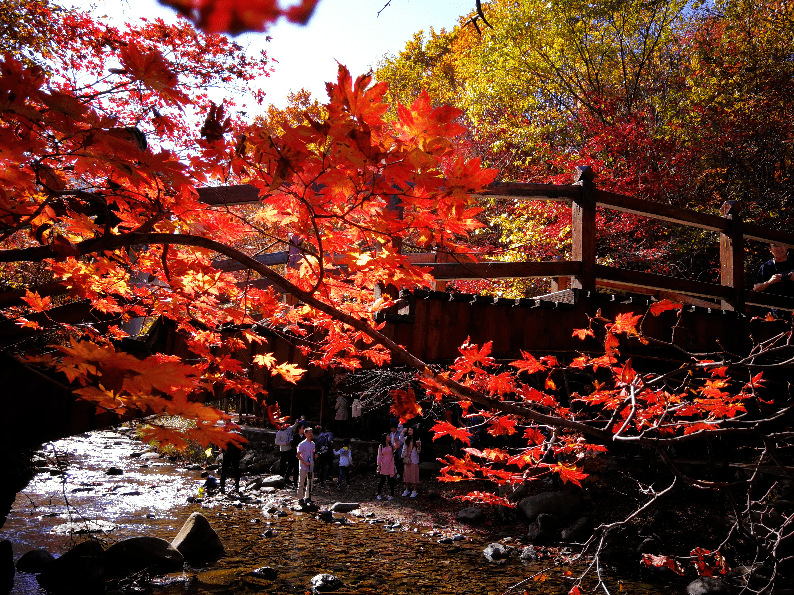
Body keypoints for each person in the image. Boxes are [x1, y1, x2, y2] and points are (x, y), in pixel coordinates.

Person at [296, 426, 316, 505]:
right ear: (305, 434)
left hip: (311, 465)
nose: (310, 434)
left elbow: (313, 453)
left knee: (310, 482)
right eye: (309, 432)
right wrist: (305, 462)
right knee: (301, 483)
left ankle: (307, 497)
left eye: (311, 432)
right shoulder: (302, 444)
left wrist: (315, 456)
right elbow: (298, 455)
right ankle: (300, 498)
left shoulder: (313, 444)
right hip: (303, 466)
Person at [376, 433, 398, 500]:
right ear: (385, 437)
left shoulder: (391, 445)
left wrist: (396, 441)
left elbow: (397, 447)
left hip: (390, 464)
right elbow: (379, 456)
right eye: (388, 436)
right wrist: (378, 465)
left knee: (391, 480)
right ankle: (378, 494)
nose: (389, 437)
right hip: (384, 465)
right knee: (382, 480)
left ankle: (392, 495)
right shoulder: (381, 446)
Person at [401, 427, 421, 497]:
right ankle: (407, 489)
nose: (409, 431)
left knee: (414, 475)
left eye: (411, 430)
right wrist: (403, 431)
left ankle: (415, 490)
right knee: (407, 475)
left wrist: (418, 446)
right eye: (409, 430)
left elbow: (418, 451)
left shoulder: (417, 440)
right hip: (407, 459)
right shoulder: (407, 438)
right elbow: (400, 439)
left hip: (414, 460)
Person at [274, 421, 295, 485]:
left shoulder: (289, 429)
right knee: (282, 465)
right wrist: (285, 443)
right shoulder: (279, 433)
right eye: (284, 424)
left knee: (291, 464)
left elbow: (294, 426)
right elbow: (276, 442)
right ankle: (281, 478)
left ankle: (287, 477)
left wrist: (297, 422)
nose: (285, 425)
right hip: (283, 450)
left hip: (289, 449)